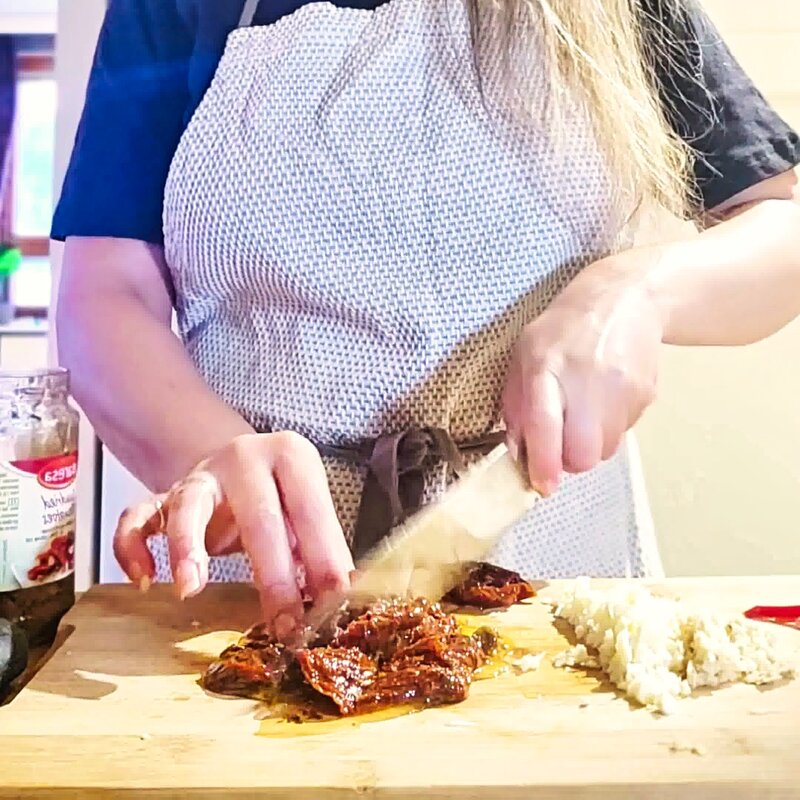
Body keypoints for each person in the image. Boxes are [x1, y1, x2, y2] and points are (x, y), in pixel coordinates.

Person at [54, 0, 800, 641]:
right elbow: (104, 293)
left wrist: (639, 291)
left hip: (552, 578)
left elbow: (784, 221)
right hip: (256, 584)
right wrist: (209, 450)